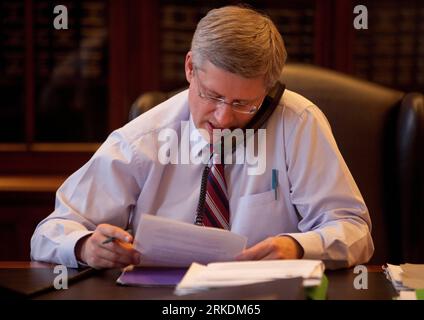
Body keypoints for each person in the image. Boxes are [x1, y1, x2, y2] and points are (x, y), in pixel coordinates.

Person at [31, 5, 374, 270]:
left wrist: (297, 246)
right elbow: (52, 231)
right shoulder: (143, 138)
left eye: (243, 103)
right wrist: (86, 246)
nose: (223, 118)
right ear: (190, 68)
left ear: (269, 89)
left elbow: (354, 230)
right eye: (212, 95)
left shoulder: (298, 124)